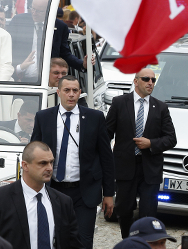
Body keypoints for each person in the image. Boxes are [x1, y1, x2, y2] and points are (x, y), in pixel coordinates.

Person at [30, 75, 115, 249]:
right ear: (58, 92)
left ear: (80, 93)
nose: (71, 94)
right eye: (67, 90)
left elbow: (107, 158)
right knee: (55, 240)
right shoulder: (44, 117)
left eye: (75, 91)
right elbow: (33, 155)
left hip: (84, 193)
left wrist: (108, 193)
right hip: (53, 190)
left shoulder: (95, 118)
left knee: (83, 243)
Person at [105, 68, 177, 239]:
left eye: (153, 80)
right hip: (125, 167)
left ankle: (145, 242)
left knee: (148, 211)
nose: (150, 83)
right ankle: (128, 241)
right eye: (146, 79)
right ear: (136, 81)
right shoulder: (119, 103)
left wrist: (151, 143)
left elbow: (171, 139)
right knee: (124, 209)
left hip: (150, 169)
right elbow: (106, 133)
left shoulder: (160, 107)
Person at [0, 141, 84, 249]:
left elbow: (74, 244)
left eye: (51, 162)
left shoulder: (63, 202)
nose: (49, 168)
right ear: (25, 165)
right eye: (43, 163)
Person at [6, 0, 84, 82]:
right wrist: (17, 69)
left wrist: (82, 64)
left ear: (49, 11)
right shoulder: (19, 21)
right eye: (33, 8)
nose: (34, 13)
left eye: (39, 11)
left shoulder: (60, 27)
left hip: (47, 82)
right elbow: (7, 49)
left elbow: (64, 54)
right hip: (20, 79)